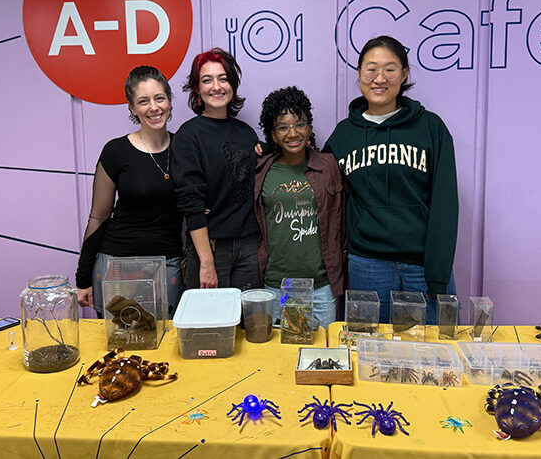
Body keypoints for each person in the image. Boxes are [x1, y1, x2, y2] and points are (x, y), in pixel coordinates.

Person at [324, 35, 458, 325]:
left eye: (390, 68)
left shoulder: (430, 128)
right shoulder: (344, 135)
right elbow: (315, 174)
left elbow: (446, 205)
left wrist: (437, 276)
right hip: (367, 266)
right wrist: (276, 148)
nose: (379, 78)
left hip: (423, 267)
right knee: (371, 359)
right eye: (371, 69)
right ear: (359, 73)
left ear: (405, 73)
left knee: (431, 358)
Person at [75, 66, 183, 318]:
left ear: (169, 100)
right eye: (143, 102)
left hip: (166, 263)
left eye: (159, 98)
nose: (154, 108)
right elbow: (98, 217)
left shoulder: (185, 147)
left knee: (165, 345)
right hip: (116, 263)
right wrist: (83, 278)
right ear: (133, 108)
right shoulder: (116, 151)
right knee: (118, 349)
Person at [255, 87, 346, 330]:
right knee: (278, 358)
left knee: (322, 356)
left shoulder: (328, 166)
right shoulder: (261, 170)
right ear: (272, 135)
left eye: (300, 124)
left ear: (310, 128)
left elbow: (342, 219)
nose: (292, 133)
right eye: (282, 127)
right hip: (276, 285)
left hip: (321, 286)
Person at [170, 48, 260, 290]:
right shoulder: (188, 136)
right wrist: (206, 262)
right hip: (211, 247)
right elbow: (191, 202)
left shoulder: (246, 133)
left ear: (232, 84)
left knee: (248, 324)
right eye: (207, 80)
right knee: (210, 325)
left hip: (250, 247)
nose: (216, 86)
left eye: (223, 78)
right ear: (197, 89)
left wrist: (264, 147)